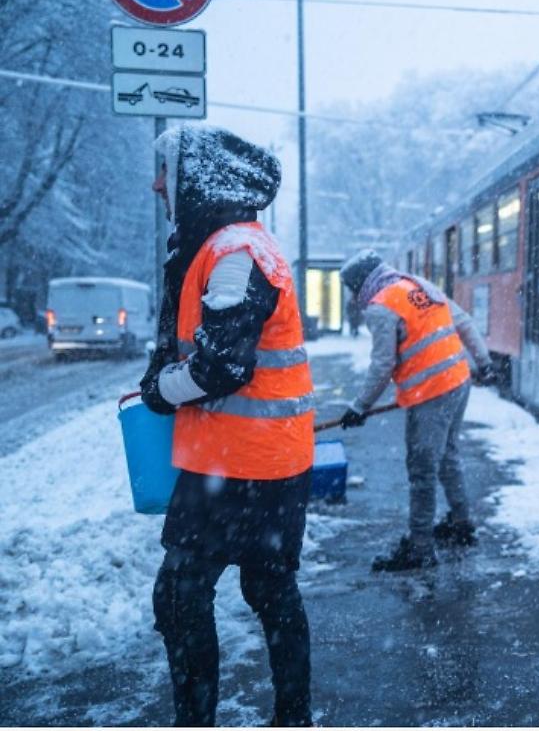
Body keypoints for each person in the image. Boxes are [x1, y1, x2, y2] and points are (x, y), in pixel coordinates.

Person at [139, 125, 315, 727]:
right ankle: (294, 718)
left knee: (182, 596)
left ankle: (204, 722)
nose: (157, 183)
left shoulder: (237, 251)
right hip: (254, 462)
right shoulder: (224, 244)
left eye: (166, 169)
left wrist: (160, 392)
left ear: (196, 175)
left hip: (242, 467)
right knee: (269, 592)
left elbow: (223, 365)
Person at [337, 250, 495, 572]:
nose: (353, 297)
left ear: (361, 284)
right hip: (458, 380)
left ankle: (421, 548)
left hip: (431, 393)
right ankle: (462, 523)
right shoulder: (417, 285)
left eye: (352, 289)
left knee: (422, 468)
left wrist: (359, 407)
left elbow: (383, 365)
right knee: (447, 455)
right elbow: (462, 320)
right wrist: (484, 362)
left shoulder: (380, 306)